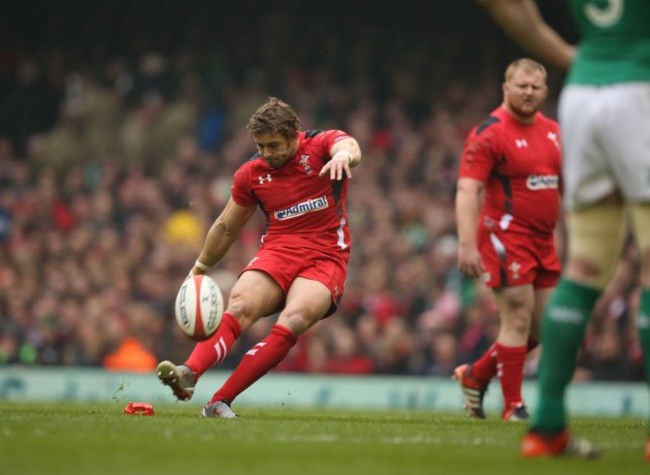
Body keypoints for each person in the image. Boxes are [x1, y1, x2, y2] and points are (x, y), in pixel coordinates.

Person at [478, 0, 650, 460]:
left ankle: (548, 426)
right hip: (641, 87)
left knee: (584, 266)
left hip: (584, 91)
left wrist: (573, 56)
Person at [156, 97, 362, 417]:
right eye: (260, 145)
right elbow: (226, 227)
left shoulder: (321, 145)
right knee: (240, 306)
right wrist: (197, 270)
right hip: (278, 250)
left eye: (274, 145)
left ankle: (220, 401)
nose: (266, 153)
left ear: (294, 134)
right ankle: (189, 373)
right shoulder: (251, 174)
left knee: (293, 319)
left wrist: (345, 156)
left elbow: (349, 145)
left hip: (326, 256)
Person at [455, 58, 562, 422]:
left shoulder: (553, 131)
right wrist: (467, 244)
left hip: (544, 241)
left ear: (545, 92)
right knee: (517, 316)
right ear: (506, 89)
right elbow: (469, 188)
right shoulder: (490, 132)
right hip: (505, 236)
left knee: (546, 326)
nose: (529, 93)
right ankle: (513, 405)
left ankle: (476, 374)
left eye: (535, 87)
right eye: (522, 86)